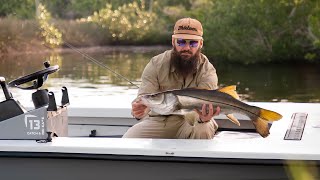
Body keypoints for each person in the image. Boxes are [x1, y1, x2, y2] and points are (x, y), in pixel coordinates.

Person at [123, 17, 220, 139]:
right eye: (181, 42)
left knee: (203, 128)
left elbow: (205, 106)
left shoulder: (208, 70)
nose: (186, 48)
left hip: (194, 120)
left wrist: (203, 118)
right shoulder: (155, 64)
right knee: (129, 139)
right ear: (173, 42)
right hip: (160, 121)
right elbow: (144, 98)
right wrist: (139, 111)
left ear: (200, 44)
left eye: (193, 43)